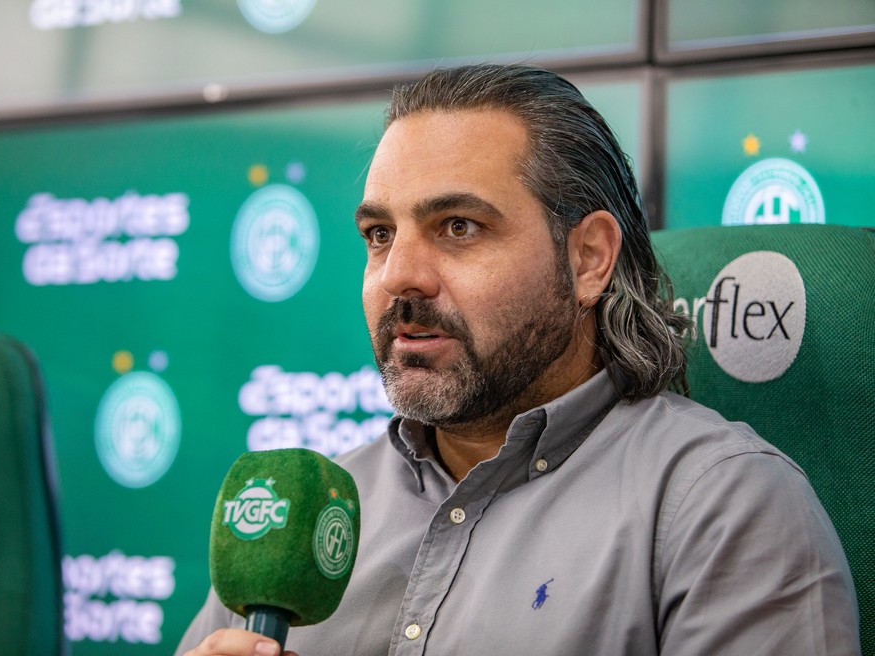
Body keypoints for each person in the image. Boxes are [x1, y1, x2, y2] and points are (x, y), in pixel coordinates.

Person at [176, 64, 860, 655]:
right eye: (380, 234)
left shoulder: (722, 508)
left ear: (588, 257)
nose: (398, 276)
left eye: (459, 227)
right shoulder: (308, 512)